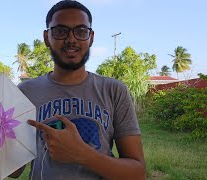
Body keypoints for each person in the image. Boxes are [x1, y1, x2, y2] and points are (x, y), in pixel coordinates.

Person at [10, 0, 146, 179]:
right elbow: (14, 171)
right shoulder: (25, 91)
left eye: (81, 31)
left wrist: (83, 155)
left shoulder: (114, 90)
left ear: (91, 38)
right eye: (60, 31)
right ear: (46, 38)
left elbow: (137, 173)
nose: (71, 39)